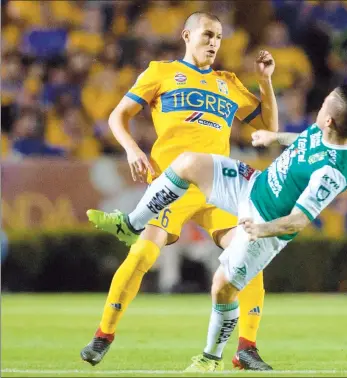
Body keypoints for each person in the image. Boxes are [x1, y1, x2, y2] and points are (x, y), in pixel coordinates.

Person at [107, 84, 347, 371]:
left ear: (330, 121)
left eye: (324, 106)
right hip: (252, 185)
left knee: (222, 288)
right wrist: (274, 136)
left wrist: (262, 230)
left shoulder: (332, 172)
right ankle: (132, 224)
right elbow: (306, 142)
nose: (319, 108)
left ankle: (211, 357)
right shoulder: (332, 133)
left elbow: (300, 220)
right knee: (188, 163)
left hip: (264, 224)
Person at [81, 11, 278, 370]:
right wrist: (133, 149)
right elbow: (117, 116)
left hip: (218, 187)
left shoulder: (228, 82)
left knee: (249, 255)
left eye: (218, 37)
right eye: (207, 35)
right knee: (142, 256)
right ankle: (103, 334)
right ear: (187, 35)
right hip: (172, 185)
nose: (214, 43)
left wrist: (265, 82)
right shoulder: (160, 72)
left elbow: (269, 127)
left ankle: (246, 348)